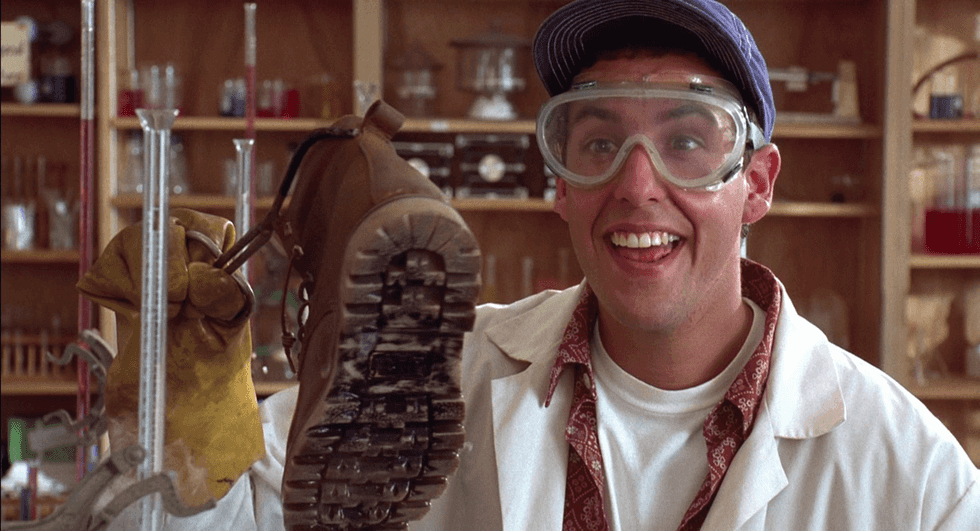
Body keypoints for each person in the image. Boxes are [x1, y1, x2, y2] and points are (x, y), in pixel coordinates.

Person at [165, 0, 979, 529]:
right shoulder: (432, 371)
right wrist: (176, 433)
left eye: (686, 141)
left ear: (756, 184)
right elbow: (223, 510)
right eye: (598, 142)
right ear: (560, 183)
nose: (636, 185)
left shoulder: (912, 473)